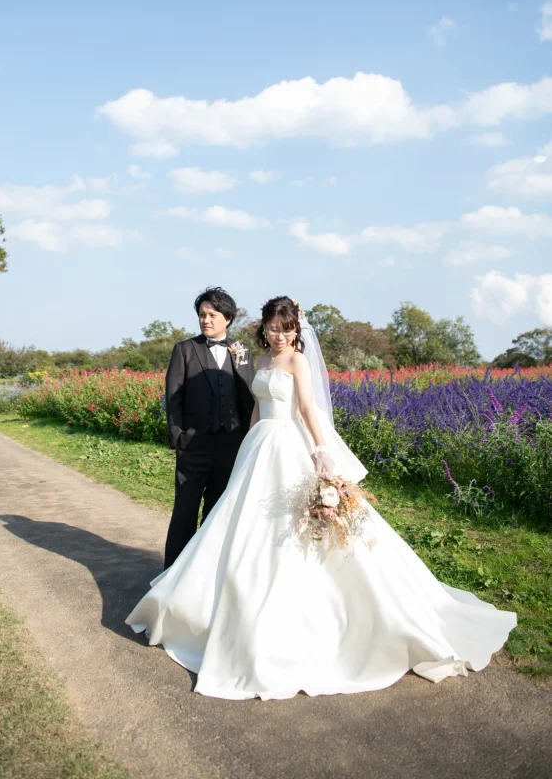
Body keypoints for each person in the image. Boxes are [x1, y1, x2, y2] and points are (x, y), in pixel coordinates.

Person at [127, 296, 516, 700]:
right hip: (259, 446)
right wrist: (247, 445)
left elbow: (308, 408)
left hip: (289, 444)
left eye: (287, 329)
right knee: (238, 524)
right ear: (263, 329)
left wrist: (321, 450)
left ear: (296, 330)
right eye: (273, 329)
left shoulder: (297, 361)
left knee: (294, 529)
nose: (279, 336)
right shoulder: (261, 361)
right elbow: (257, 407)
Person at [162, 287, 255, 569]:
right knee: (185, 511)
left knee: (217, 512)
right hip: (193, 444)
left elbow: (249, 397)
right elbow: (173, 396)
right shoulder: (184, 350)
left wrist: (247, 438)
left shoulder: (242, 351)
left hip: (230, 445)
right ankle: (172, 574)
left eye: (212, 315)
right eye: (202, 314)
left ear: (228, 318)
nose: (206, 320)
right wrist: (178, 437)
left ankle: (204, 572)